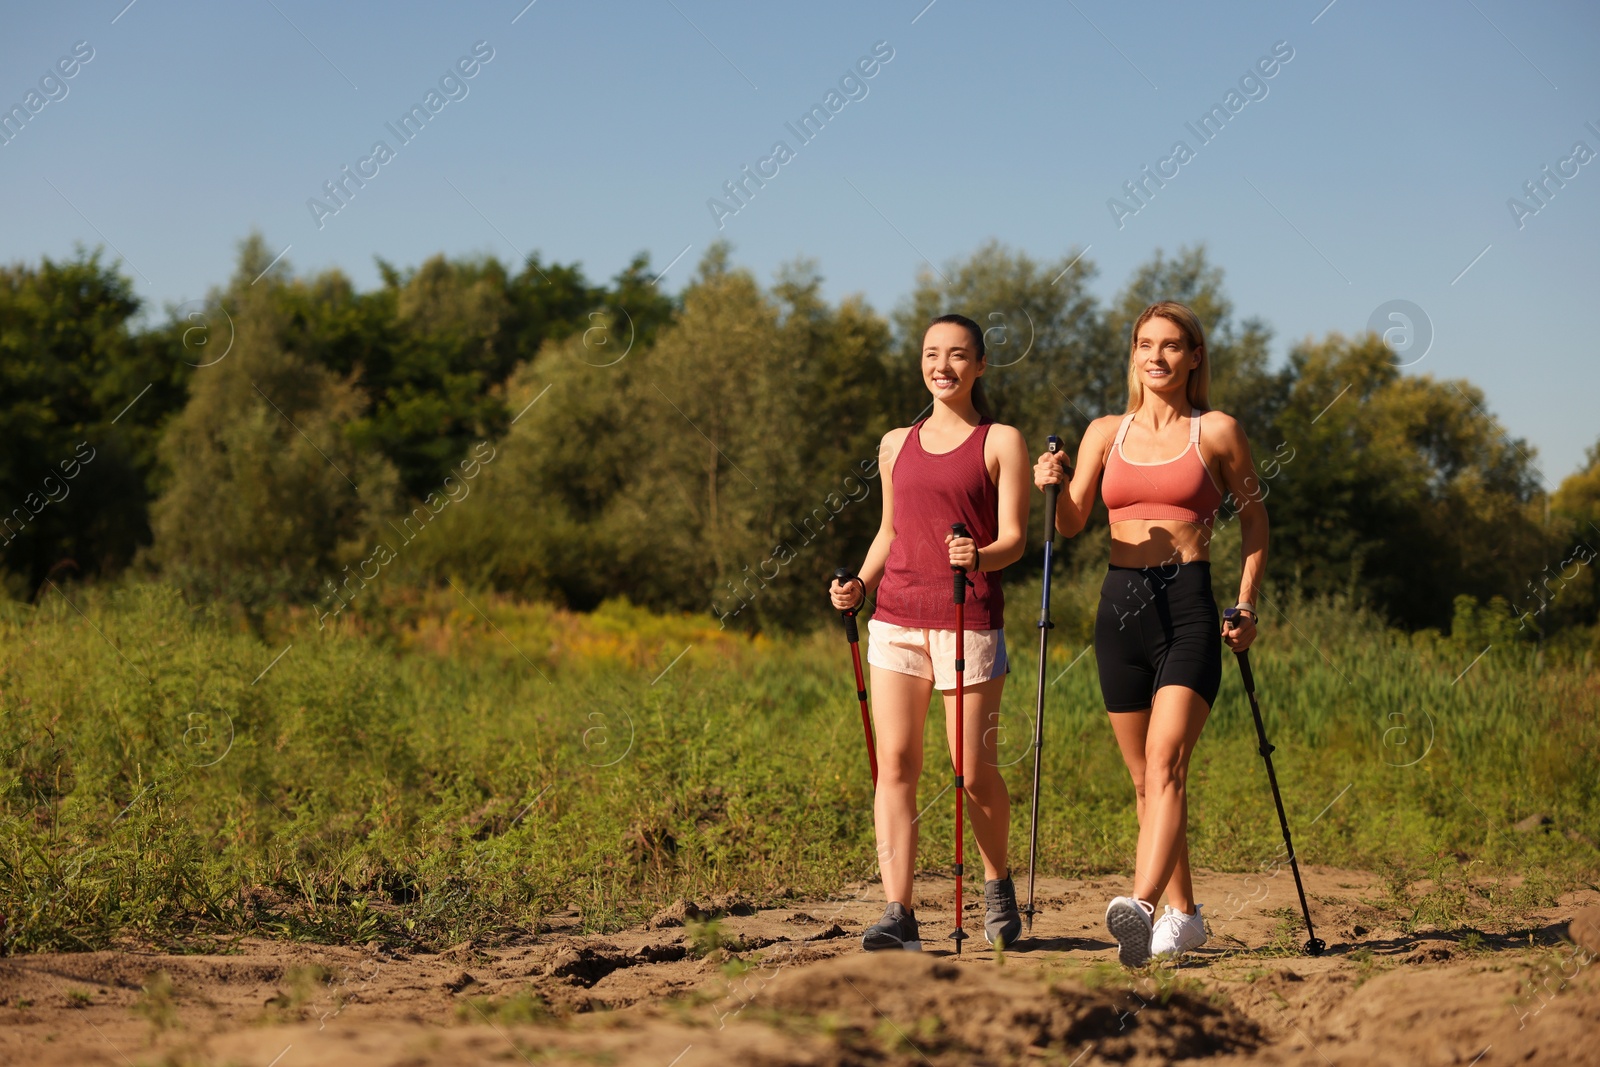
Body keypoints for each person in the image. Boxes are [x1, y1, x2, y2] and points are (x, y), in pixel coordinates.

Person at [1033, 301, 1266, 967]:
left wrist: (1246, 605)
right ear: (1133, 353)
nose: (1156, 356)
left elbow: (1256, 525)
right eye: (1145, 344)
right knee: (1146, 780)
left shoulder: (1217, 431)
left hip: (1190, 606)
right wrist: (1050, 484)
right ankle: (1185, 913)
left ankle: (1138, 905)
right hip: (1120, 609)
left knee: (1166, 761)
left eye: (1170, 345)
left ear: (1194, 356)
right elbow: (1073, 521)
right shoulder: (1106, 431)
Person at [829, 313, 1032, 952]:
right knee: (895, 764)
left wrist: (981, 556)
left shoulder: (1001, 440)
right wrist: (859, 585)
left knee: (970, 770)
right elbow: (890, 532)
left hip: (967, 618)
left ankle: (996, 885)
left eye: (956, 355)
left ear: (979, 366)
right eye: (930, 354)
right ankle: (899, 913)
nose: (941, 366)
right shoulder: (896, 442)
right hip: (896, 617)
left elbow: (1016, 542)